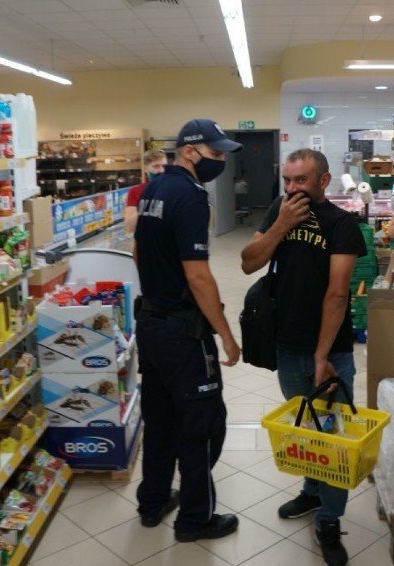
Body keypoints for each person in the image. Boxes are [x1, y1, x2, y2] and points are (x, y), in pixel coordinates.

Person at [240, 148, 367, 566]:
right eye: (288, 181)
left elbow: (337, 294)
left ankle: (330, 520)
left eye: (302, 181)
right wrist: (280, 225)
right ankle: (312, 494)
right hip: (285, 343)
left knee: (331, 437)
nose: (293, 189)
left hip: (328, 350)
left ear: (324, 181)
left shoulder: (342, 224)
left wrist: (321, 355)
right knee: (304, 428)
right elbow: (248, 262)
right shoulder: (281, 211)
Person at [134, 118, 242, 543]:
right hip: (182, 334)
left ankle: (154, 500)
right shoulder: (193, 197)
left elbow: (140, 249)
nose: (220, 161)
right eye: (215, 154)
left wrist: (158, 291)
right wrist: (226, 336)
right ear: (191, 151)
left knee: (159, 420)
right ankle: (195, 519)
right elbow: (198, 276)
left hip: (151, 325)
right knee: (202, 424)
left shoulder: (154, 188)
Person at [124, 148, 169, 233]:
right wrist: (151, 201)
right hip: (147, 242)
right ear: (145, 169)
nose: (161, 170)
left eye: (164, 166)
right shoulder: (136, 191)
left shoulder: (175, 189)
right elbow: (130, 227)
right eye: (156, 166)